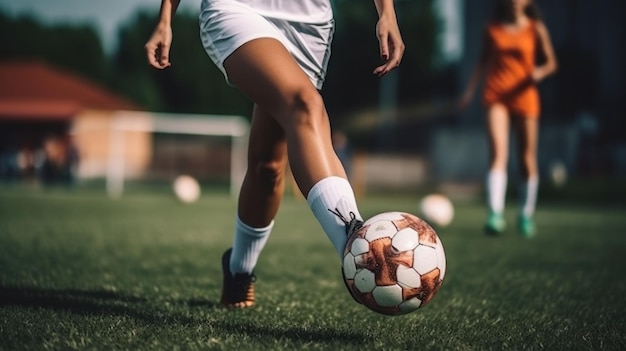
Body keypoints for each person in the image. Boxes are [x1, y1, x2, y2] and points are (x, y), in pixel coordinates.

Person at [146, 0, 405, 308]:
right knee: (305, 106)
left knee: (267, 166)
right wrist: (165, 18)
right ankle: (356, 245)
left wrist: (386, 13)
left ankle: (238, 270)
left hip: (309, 25)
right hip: (237, 8)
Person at [459, 0, 557, 238]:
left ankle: (525, 214)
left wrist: (540, 72)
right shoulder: (492, 28)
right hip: (496, 95)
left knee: (526, 158)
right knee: (499, 153)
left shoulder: (536, 28)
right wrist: (469, 91)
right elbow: (482, 62)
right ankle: (495, 214)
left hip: (525, 95)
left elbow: (551, 63)